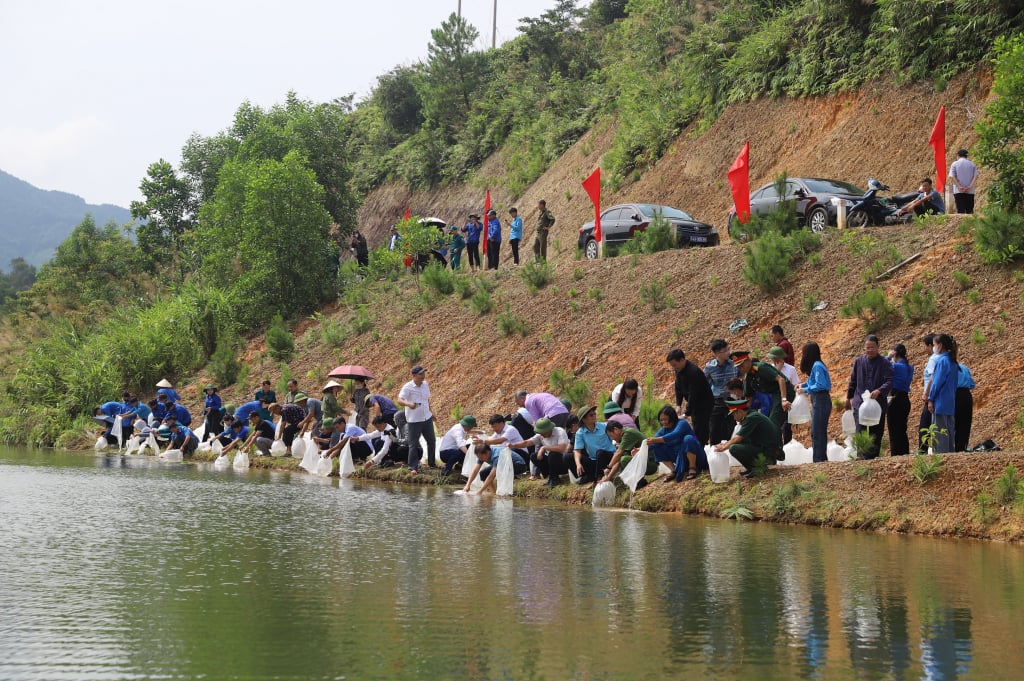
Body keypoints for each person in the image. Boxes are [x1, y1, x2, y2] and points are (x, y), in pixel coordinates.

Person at [844, 335, 894, 459]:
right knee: (860, 431)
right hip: (859, 403)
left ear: (878, 347)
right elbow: (853, 381)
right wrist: (848, 398)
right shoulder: (859, 362)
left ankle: (873, 459)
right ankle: (861, 458)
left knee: (876, 433)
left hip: (877, 404)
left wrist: (879, 391)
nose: (869, 350)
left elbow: (889, 381)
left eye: (872, 347)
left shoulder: (885, 363)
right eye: (867, 348)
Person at [715, 399, 783, 477]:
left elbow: (737, 438)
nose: (734, 418)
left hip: (770, 453)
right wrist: (725, 443)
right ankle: (752, 468)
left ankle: (758, 468)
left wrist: (724, 447)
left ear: (739, 411)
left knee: (734, 448)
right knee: (738, 443)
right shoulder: (751, 415)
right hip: (767, 449)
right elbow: (740, 438)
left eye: (734, 415)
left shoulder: (751, 418)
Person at [732, 350, 794, 437]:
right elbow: (748, 397)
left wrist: (784, 399)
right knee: (769, 422)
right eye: (738, 367)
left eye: (742, 365)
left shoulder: (761, 368)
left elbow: (781, 379)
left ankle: (775, 447)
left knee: (774, 421)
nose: (741, 369)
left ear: (748, 360)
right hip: (774, 394)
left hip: (784, 391)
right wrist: (743, 414)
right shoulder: (749, 377)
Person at [505, 417, 572, 487]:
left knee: (553, 454)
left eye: (543, 432)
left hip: (564, 463)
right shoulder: (541, 435)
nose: (541, 435)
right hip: (552, 463)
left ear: (549, 429)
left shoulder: (560, 431)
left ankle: (554, 479)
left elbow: (561, 448)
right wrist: (512, 445)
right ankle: (550, 477)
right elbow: (526, 443)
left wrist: (544, 447)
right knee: (534, 456)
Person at [666, 349, 713, 445]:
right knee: (696, 428)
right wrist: (678, 404)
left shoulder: (694, 372)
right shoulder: (678, 370)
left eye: (675, 365)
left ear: (682, 360)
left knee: (701, 429)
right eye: (672, 366)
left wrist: (686, 413)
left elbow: (694, 394)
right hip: (694, 404)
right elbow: (678, 386)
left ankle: (701, 450)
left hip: (704, 404)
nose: (674, 368)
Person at [646, 405, 704, 482]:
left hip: (697, 457)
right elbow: (653, 444)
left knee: (688, 439)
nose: (663, 422)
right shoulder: (663, 430)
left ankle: (692, 467)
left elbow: (675, 434)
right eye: (661, 420)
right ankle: (674, 471)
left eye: (665, 419)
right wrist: (640, 449)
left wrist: (655, 440)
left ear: (672, 417)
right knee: (657, 447)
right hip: (680, 458)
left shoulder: (682, 423)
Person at [396, 365, 436, 473]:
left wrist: (431, 412)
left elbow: (426, 400)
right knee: (413, 443)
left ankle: (432, 463)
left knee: (431, 440)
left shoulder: (425, 384)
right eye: (420, 374)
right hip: (414, 420)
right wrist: (408, 404)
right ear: (414, 375)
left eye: (423, 373)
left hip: (426, 417)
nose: (423, 376)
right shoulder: (408, 387)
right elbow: (399, 399)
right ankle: (413, 467)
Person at [798, 342, 833, 463]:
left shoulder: (817, 366)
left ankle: (819, 460)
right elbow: (812, 382)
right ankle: (820, 458)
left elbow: (820, 385)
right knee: (816, 431)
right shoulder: (816, 366)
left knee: (817, 431)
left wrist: (805, 390)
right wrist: (802, 385)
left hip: (821, 399)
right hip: (817, 400)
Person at [569, 405, 616, 485]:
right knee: (568, 457)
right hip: (594, 461)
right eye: (591, 415)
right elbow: (577, 450)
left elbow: (615, 438)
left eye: (594, 414)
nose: (594, 416)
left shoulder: (604, 426)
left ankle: (596, 479)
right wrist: (578, 464)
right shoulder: (580, 432)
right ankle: (587, 476)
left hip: (608, 458)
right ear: (584, 419)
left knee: (600, 453)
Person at [598, 420, 655, 485]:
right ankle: (638, 481)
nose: (612, 439)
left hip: (650, 463)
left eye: (611, 436)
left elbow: (618, 454)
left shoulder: (628, 433)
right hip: (645, 463)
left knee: (624, 460)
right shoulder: (623, 437)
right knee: (623, 461)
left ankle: (639, 481)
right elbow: (618, 462)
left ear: (616, 429)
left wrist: (608, 468)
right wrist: (608, 477)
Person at [927, 334, 958, 454]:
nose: (934, 348)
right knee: (949, 431)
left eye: (934, 345)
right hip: (950, 401)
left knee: (939, 432)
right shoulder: (953, 361)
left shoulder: (942, 361)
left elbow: (936, 382)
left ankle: (940, 456)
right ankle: (950, 455)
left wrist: (930, 398)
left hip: (940, 401)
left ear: (940, 345)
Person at [704, 339, 738, 445]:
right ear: (717, 353)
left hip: (732, 400)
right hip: (717, 400)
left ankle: (731, 452)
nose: (728, 352)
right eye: (725, 350)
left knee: (731, 428)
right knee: (714, 428)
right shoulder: (710, 367)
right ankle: (714, 452)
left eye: (728, 349)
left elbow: (742, 377)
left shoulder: (734, 364)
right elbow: (704, 384)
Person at [463, 443, 527, 495]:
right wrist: (467, 485)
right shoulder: (482, 455)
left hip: (519, 466)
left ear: (487, 453)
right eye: (478, 457)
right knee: (483, 473)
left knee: (498, 473)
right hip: (503, 466)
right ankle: (493, 492)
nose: (480, 459)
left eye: (481, 457)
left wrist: (480, 491)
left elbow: (491, 476)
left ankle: (504, 494)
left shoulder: (497, 456)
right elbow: (475, 471)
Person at [765, 346, 799, 443]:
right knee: (775, 425)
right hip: (773, 401)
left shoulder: (791, 369)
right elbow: (768, 384)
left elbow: (795, 384)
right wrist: (777, 370)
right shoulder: (769, 368)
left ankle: (787, 446)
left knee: (786, 426)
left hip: (787, 401)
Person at [886, 344, 914, 456]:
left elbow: (880, 364)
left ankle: (896, 455)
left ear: (895, 353)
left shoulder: (895, 366)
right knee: (902, 430)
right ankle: (904, 454)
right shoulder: (909, 367)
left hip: (894, 399)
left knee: (893, 431)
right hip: (904, 398)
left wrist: (888, 357)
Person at [918, 333, 939, 454]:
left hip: (931, 397)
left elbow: (932, 378)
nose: (924, 349)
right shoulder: (943, 357)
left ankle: (923, 451)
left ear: (931, 345)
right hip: (938, 397)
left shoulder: (933, 359)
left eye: (925, 346)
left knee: (925, 426)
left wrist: (927, 396)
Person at [955, 355, 976, 452]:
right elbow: (972, 384)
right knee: (965, 422)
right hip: (966, 395)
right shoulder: (964, 368)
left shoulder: (948, 368)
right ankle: (962, 447)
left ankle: (952, 448)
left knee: (952, 421)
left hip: (954, 394)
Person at [948, 149, 979, 214]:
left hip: (958, 190)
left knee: (960, 211)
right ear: (967, 156)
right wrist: (970, 186)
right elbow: (976, 176)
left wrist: (959, 186)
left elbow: (952, 176)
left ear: (958, 155)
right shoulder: (972, 164)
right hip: (970, 191)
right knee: (969, 210)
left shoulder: (955, 163)